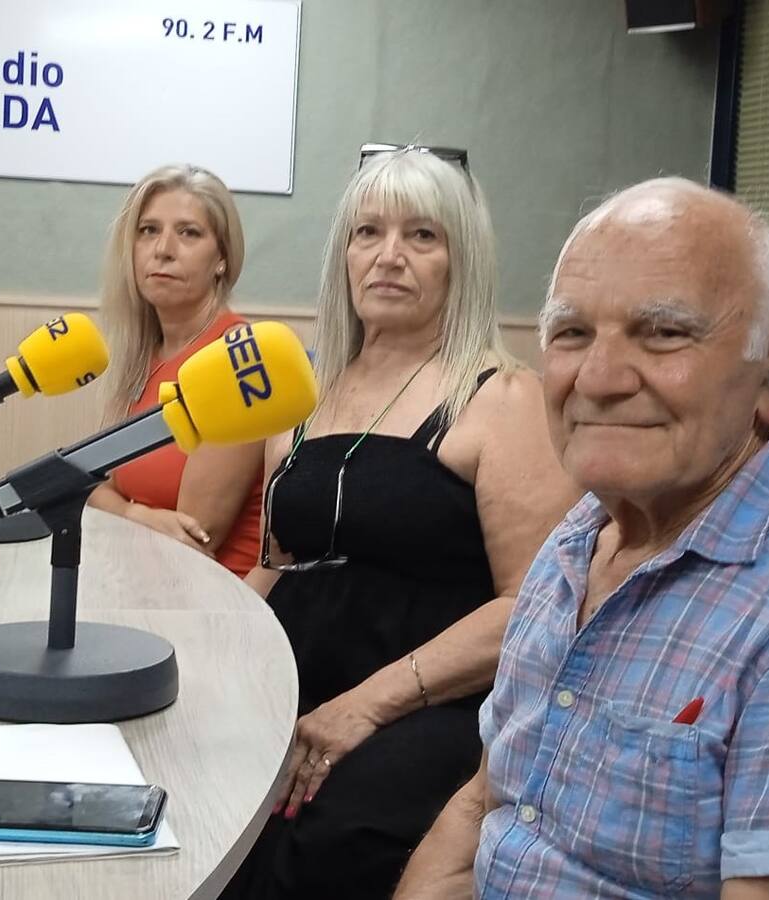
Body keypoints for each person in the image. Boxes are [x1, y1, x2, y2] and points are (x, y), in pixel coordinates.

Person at [396, 178, 769, 899]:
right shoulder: (577, 539)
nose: (599, 378)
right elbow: (482, 805)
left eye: (664, 332)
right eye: (572, 333)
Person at [222, 148, 578, 899]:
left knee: (314, 842)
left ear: (461, 261)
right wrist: (207, 654)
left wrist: (365, 705)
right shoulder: (304, 391)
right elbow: (275, 565)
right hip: (291, 682)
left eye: (422, 235)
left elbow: (532, 604)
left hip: (429, 704)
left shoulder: (503, 398)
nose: (389, 255)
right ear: (343, 256)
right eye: (368, 233)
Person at [86, 164, 264, 579]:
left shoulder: (238, 356)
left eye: (188, 233)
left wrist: (119, 508)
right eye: (148, 230)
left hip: (213, 595)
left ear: (222, 259)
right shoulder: (139, 355)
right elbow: (90, 485)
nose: (163, 249)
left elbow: (192, 534)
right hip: (139, 574)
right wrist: (138, 514)